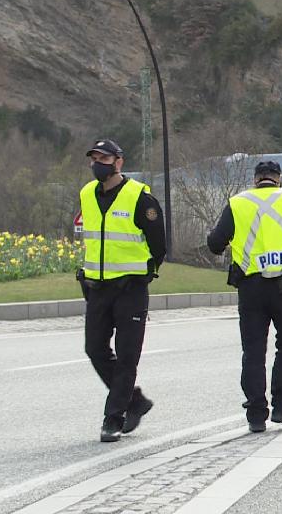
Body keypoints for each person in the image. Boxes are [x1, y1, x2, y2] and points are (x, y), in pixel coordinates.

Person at [207, 160, 282, 433]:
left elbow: (214, 244)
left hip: (251, 287)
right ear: (279, 178)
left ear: (255, 179)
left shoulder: (238, 203)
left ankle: (256, 415)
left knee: (254, 351)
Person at [78, 139, 165, 442]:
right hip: (97, 287)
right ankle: (135, 401)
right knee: (94, 349)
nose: (96, 163)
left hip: (130, 288)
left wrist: (143, 272)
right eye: (93, 158)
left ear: (119, 162)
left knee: (128, 357)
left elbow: (158, 244)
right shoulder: (87, 194)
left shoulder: (140, 197)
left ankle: (113, 418)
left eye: (103, 157)